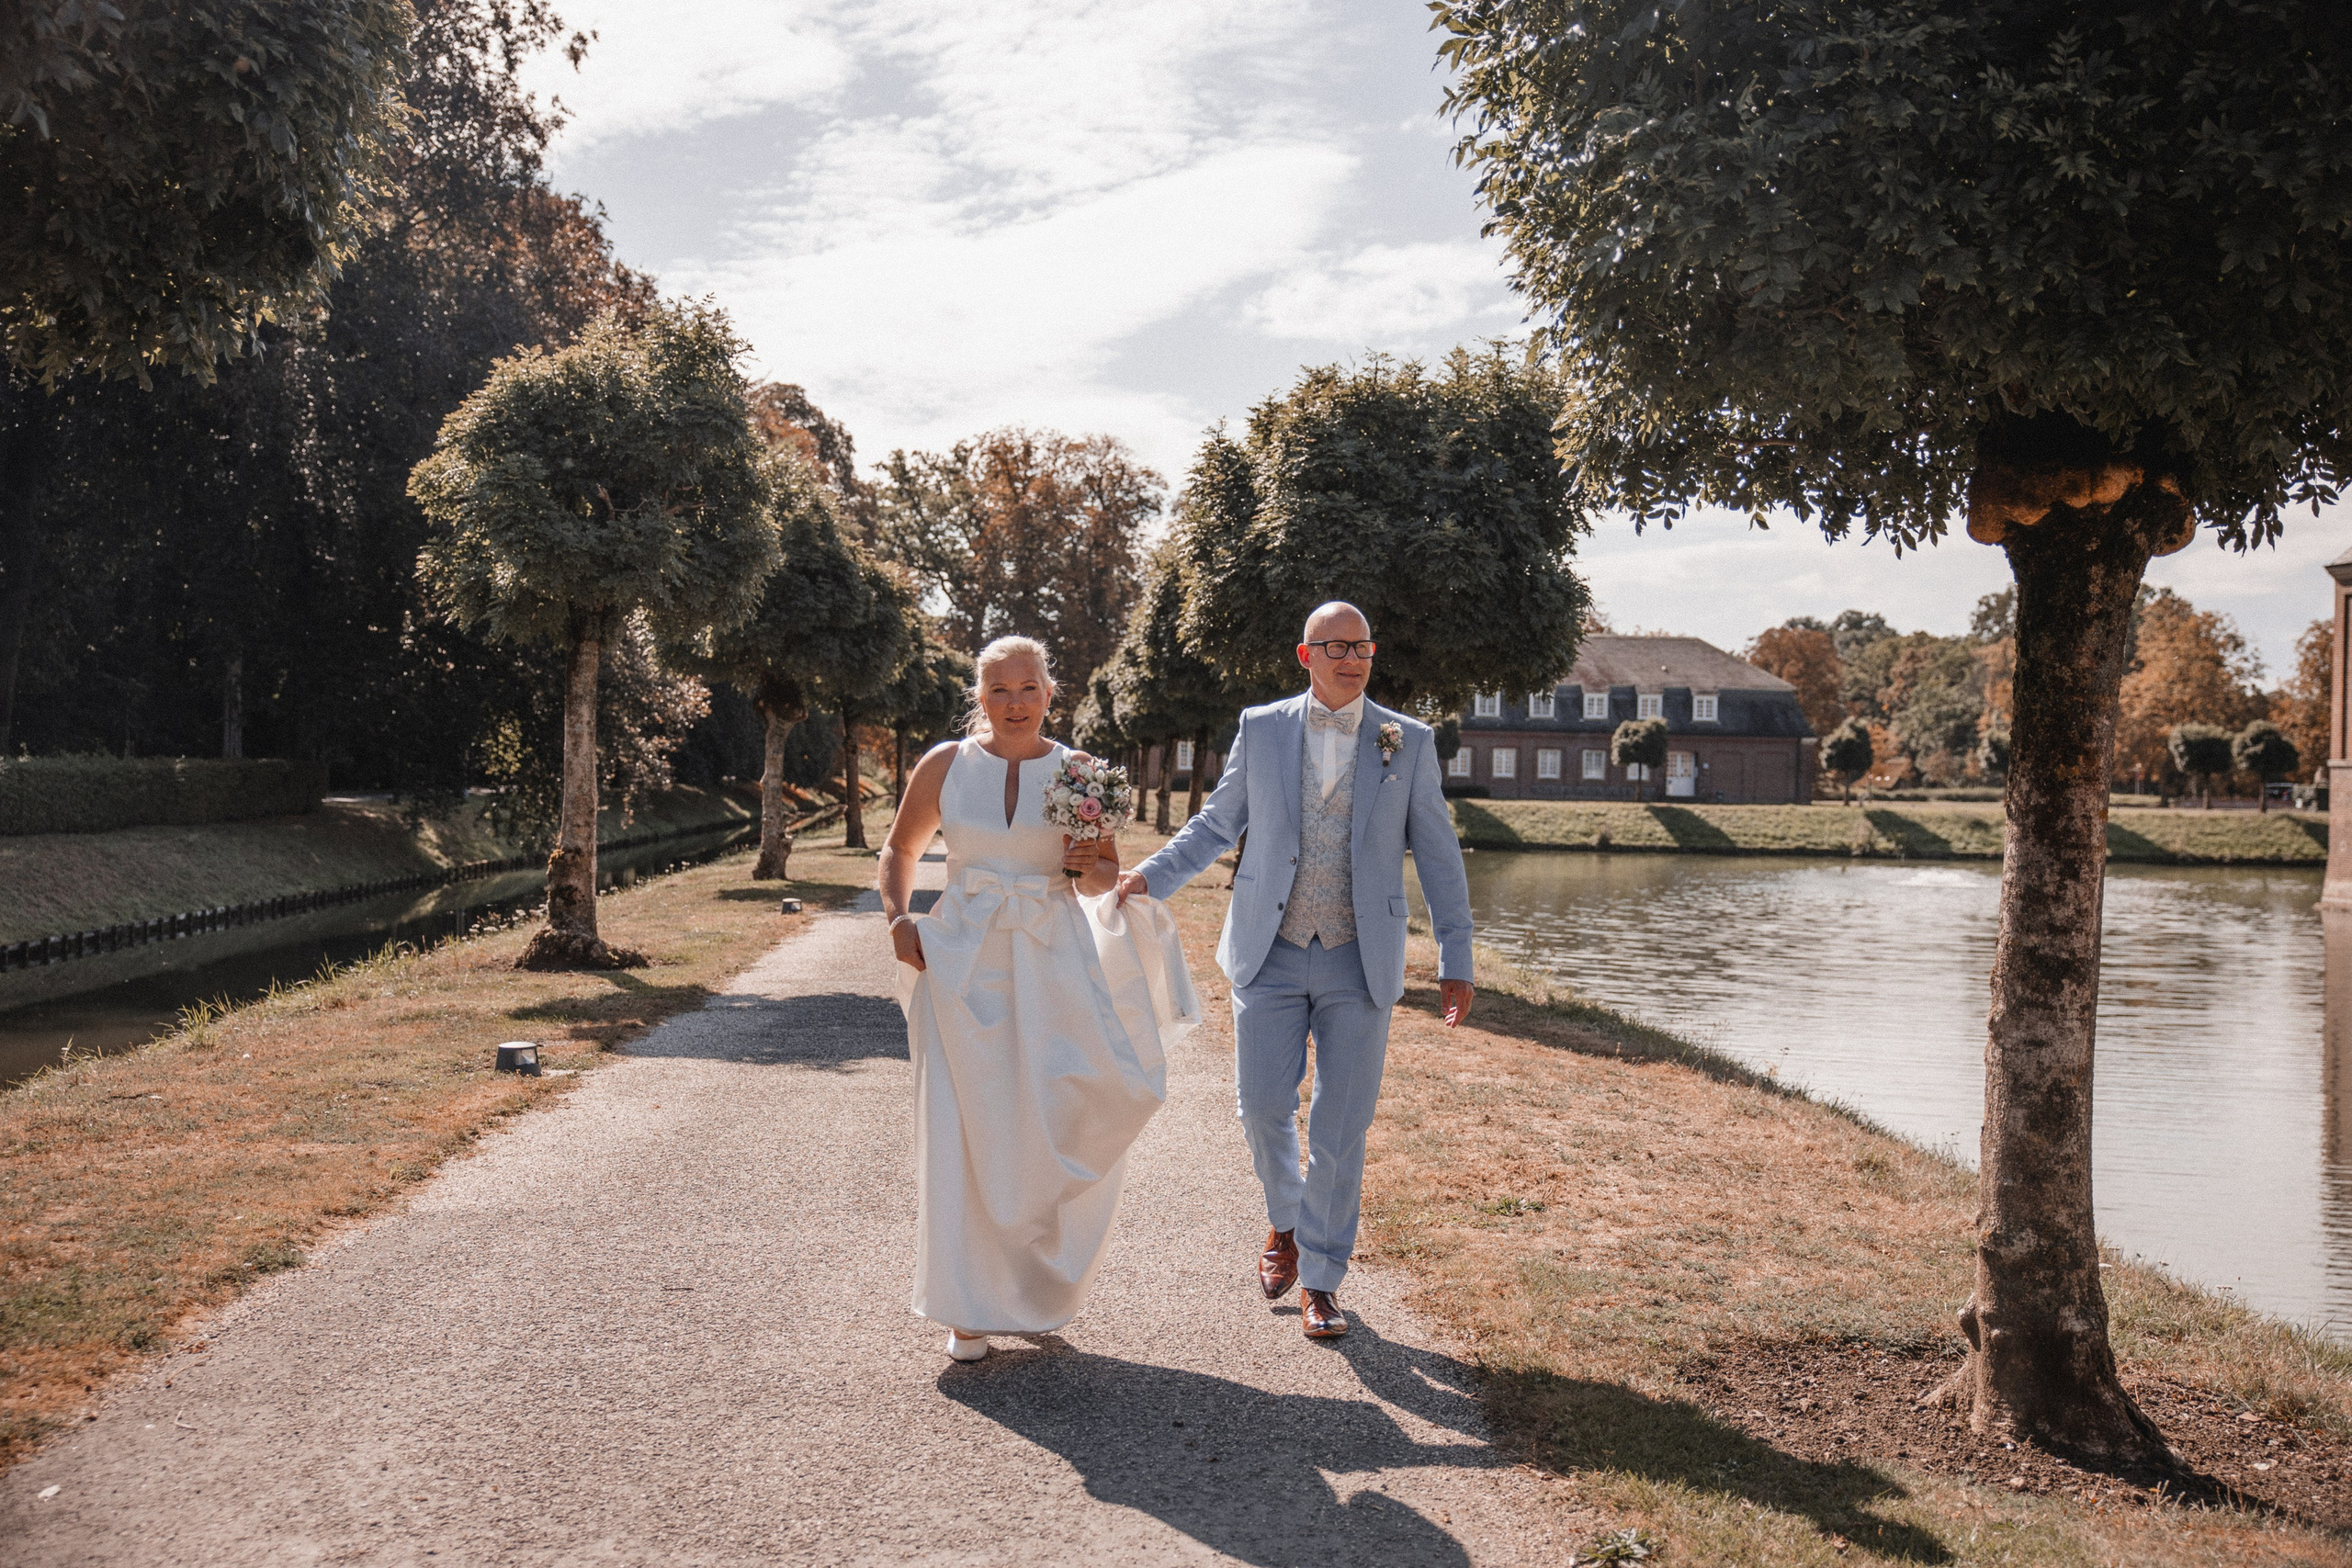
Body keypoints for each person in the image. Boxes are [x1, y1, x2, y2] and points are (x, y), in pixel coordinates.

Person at [1117, 603, 1473, 1340]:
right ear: (1304, 654)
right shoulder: (1263, 727)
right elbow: (1217, 821)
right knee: (1261, 1107)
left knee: (1342, 1125)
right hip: (1268, 947)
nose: (1353, 656)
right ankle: (1286, 1217)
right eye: (1337, 645)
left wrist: (1455, 955)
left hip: (1359, 956)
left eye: (1364, 645)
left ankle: (1320, 1278)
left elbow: (1437, 851)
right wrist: (1148, 877)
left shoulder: (1407, 740)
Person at [879, 636, 1199, 1363]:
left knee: (1050, 1119)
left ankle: (1032, 1280)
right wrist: (899, 916)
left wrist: (1092, 863)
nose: (1014, 703)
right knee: (963, 1127)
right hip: (959, 962)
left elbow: (1099, 880)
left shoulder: (1080, 772)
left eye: (1028, 688)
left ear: (1050, 693)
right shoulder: (944, 765)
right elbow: (899, 850)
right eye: (998, 690)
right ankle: (965, 1308)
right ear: (979, 698)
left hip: (1054, 962)